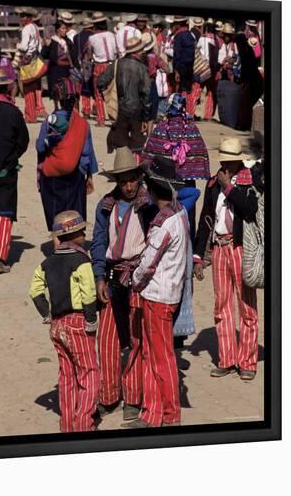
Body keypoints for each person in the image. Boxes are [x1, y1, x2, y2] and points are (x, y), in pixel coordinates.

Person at [91, 147, 157, 422]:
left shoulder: (148, 205)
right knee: (106, 339)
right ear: (116, 182)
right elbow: (98, 242)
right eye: (123, 181)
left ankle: (133, 397)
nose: (128, 186)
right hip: (111, 275)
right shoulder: (106, 206)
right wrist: (98, 277)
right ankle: (108, 395)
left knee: (135, 339)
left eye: (132, 179)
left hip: (139, 277)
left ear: (138, 178)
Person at [124, 156, 189, 428]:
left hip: (158, 297)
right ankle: (154, 411)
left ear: (152, 189)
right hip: (169, 293)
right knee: (157, 355)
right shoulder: (180, 213)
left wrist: (133, 280)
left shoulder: (164, 223)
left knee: (160, 357)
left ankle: (169, 414)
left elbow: (148, 263)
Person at [193, 137, 259, 381]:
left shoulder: (249, 181)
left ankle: (248, 361)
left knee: (247, 305)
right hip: (220, 248)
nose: (225, 163)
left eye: (229, 159)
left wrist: (229, 189)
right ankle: (228, 358)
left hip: (240, 247)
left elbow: (249, 209)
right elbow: (206, 219)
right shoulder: (213, 184)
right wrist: (199, 256)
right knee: (222, 306)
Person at [29, 210, 99, 432]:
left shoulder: (46, 263)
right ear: (75, 234)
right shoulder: (82, 261)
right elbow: (88, 293)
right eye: (81, 232)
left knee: (66, 375)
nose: (84, 235)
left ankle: (67, 423)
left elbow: (35, 290)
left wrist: (46, 313)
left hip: (57, 325)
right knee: (89, 373)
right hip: (78, 323)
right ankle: (84, 423)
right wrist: (91, 319)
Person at [141, 93, 210, 242]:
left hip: (162, 185)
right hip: (185, 185)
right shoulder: (192, 129)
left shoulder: (160, 129)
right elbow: (201, 154)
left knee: (161, 218)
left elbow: (147, 159)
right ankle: (187, 248)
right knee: (186, 217)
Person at [36, 78, 98, 232]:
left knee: (56, 216)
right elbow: (87, 154)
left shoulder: (49, 122)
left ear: (57, 100)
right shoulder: (83, 124)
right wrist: (89, 177)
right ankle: (75, 247)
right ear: (75, 99)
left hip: (51, 179)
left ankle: (58, 247)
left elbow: (40, 148)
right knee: (74, 215)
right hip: (75, 176)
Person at [0, 67, 30, 273]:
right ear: (5, 87)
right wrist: (12, 158)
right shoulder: (12, 111)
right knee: (4, 212)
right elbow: (23, 141)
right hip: (6, 170)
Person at [97, 36, 153, 156]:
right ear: (137, 52)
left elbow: (100, 82)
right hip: (137, 113)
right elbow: (147, 95)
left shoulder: (116, 64)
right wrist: (145, 118)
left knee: (121, 144)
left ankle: (122, 169)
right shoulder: (142, 68)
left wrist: (108, 98)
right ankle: (134, 170)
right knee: (137, 145)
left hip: (119, 110)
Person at [41, 19, 79, 111]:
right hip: (55, 68)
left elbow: (73, 55)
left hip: (66, 69)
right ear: (58, 29)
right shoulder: (52, 41)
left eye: (65, 28)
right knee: (55, 89)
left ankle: (64, 106)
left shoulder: (68, 42)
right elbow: (44, 54)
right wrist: (46, 45)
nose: (65, 30)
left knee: (66, 89)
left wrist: (76, 67)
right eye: (63, 28)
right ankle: (56, 107)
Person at [88, 11, 118, 126]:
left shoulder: (92, 38)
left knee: (98, 94)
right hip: (111, 65)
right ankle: (114, 118)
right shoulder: (112, 35)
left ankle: (101, 119)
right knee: (112, 92)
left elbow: (89, 55)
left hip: (99, 66)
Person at [15, 6, 43, 123]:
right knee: (33, 86)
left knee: (27, 88)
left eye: (22, 16)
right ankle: (34, 113)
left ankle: (30, 116)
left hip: (27, 59)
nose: (20, 18)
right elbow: (40, 46)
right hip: (35, 58)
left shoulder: (26, 29)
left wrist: (17, 45)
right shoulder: (35, 27)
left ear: (27, 17)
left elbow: (24, 46)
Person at [234, 33, 264, 131]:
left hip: (253, 81)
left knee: (247, 103)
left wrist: (243, 81)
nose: (237, 46)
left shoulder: (245, 51)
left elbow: (247, 69)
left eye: (238, 43)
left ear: (240, 42)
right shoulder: (246, 50)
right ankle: (246, 125)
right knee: (248, 103)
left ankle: (245, 125)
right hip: (253, 80)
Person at [196, 22, 220, 120]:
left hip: (202, 68)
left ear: (206, 29)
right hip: (212, 68)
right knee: (210, 91)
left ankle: (198, 112)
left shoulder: (202, 39)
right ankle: (209, 114)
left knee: (200, 90)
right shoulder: (216, 40)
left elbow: (197, 50)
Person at [171, 16, 196, 109]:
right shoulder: (190, 35)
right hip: (190, 66)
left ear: (178, 24)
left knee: (180, 89)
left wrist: (176, 70)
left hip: (181, 67)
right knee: (188, 90)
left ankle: (180, 110)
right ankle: (188, 110)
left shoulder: (179, 36)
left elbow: (177, 54)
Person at [73, 18, 95, 119]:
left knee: (84, 88)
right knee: (93, 87)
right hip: (92, 64)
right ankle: (95, 109)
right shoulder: (94, 36)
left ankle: (86, 110)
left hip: (80, 64)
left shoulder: (76, 37)